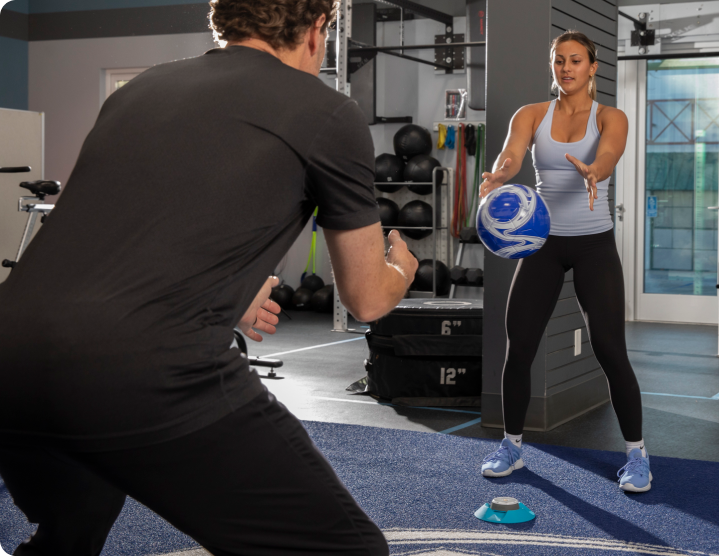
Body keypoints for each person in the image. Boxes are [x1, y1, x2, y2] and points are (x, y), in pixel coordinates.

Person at [0, 0, 417, 553]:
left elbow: (117, 232)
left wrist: (232, 294)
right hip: (144, 369)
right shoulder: (327, 112)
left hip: (11, 355)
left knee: (71, 529)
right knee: (347, 550)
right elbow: (364, 299)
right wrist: (401, 271)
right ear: (318, 30)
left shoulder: (138, 91)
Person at [477, 31, 650, 493]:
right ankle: (511, 445)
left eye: (576, 60)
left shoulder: (611, 116)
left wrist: (597, 169)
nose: (566, 68)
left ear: (593, 67)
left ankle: (637, 455)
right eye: (559, 61)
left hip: (594, 244)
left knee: (611, 350)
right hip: (544, 246)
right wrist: (498, 174)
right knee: (521, 347)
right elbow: (512, 154)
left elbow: (610, 151)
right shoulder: (532, 114)